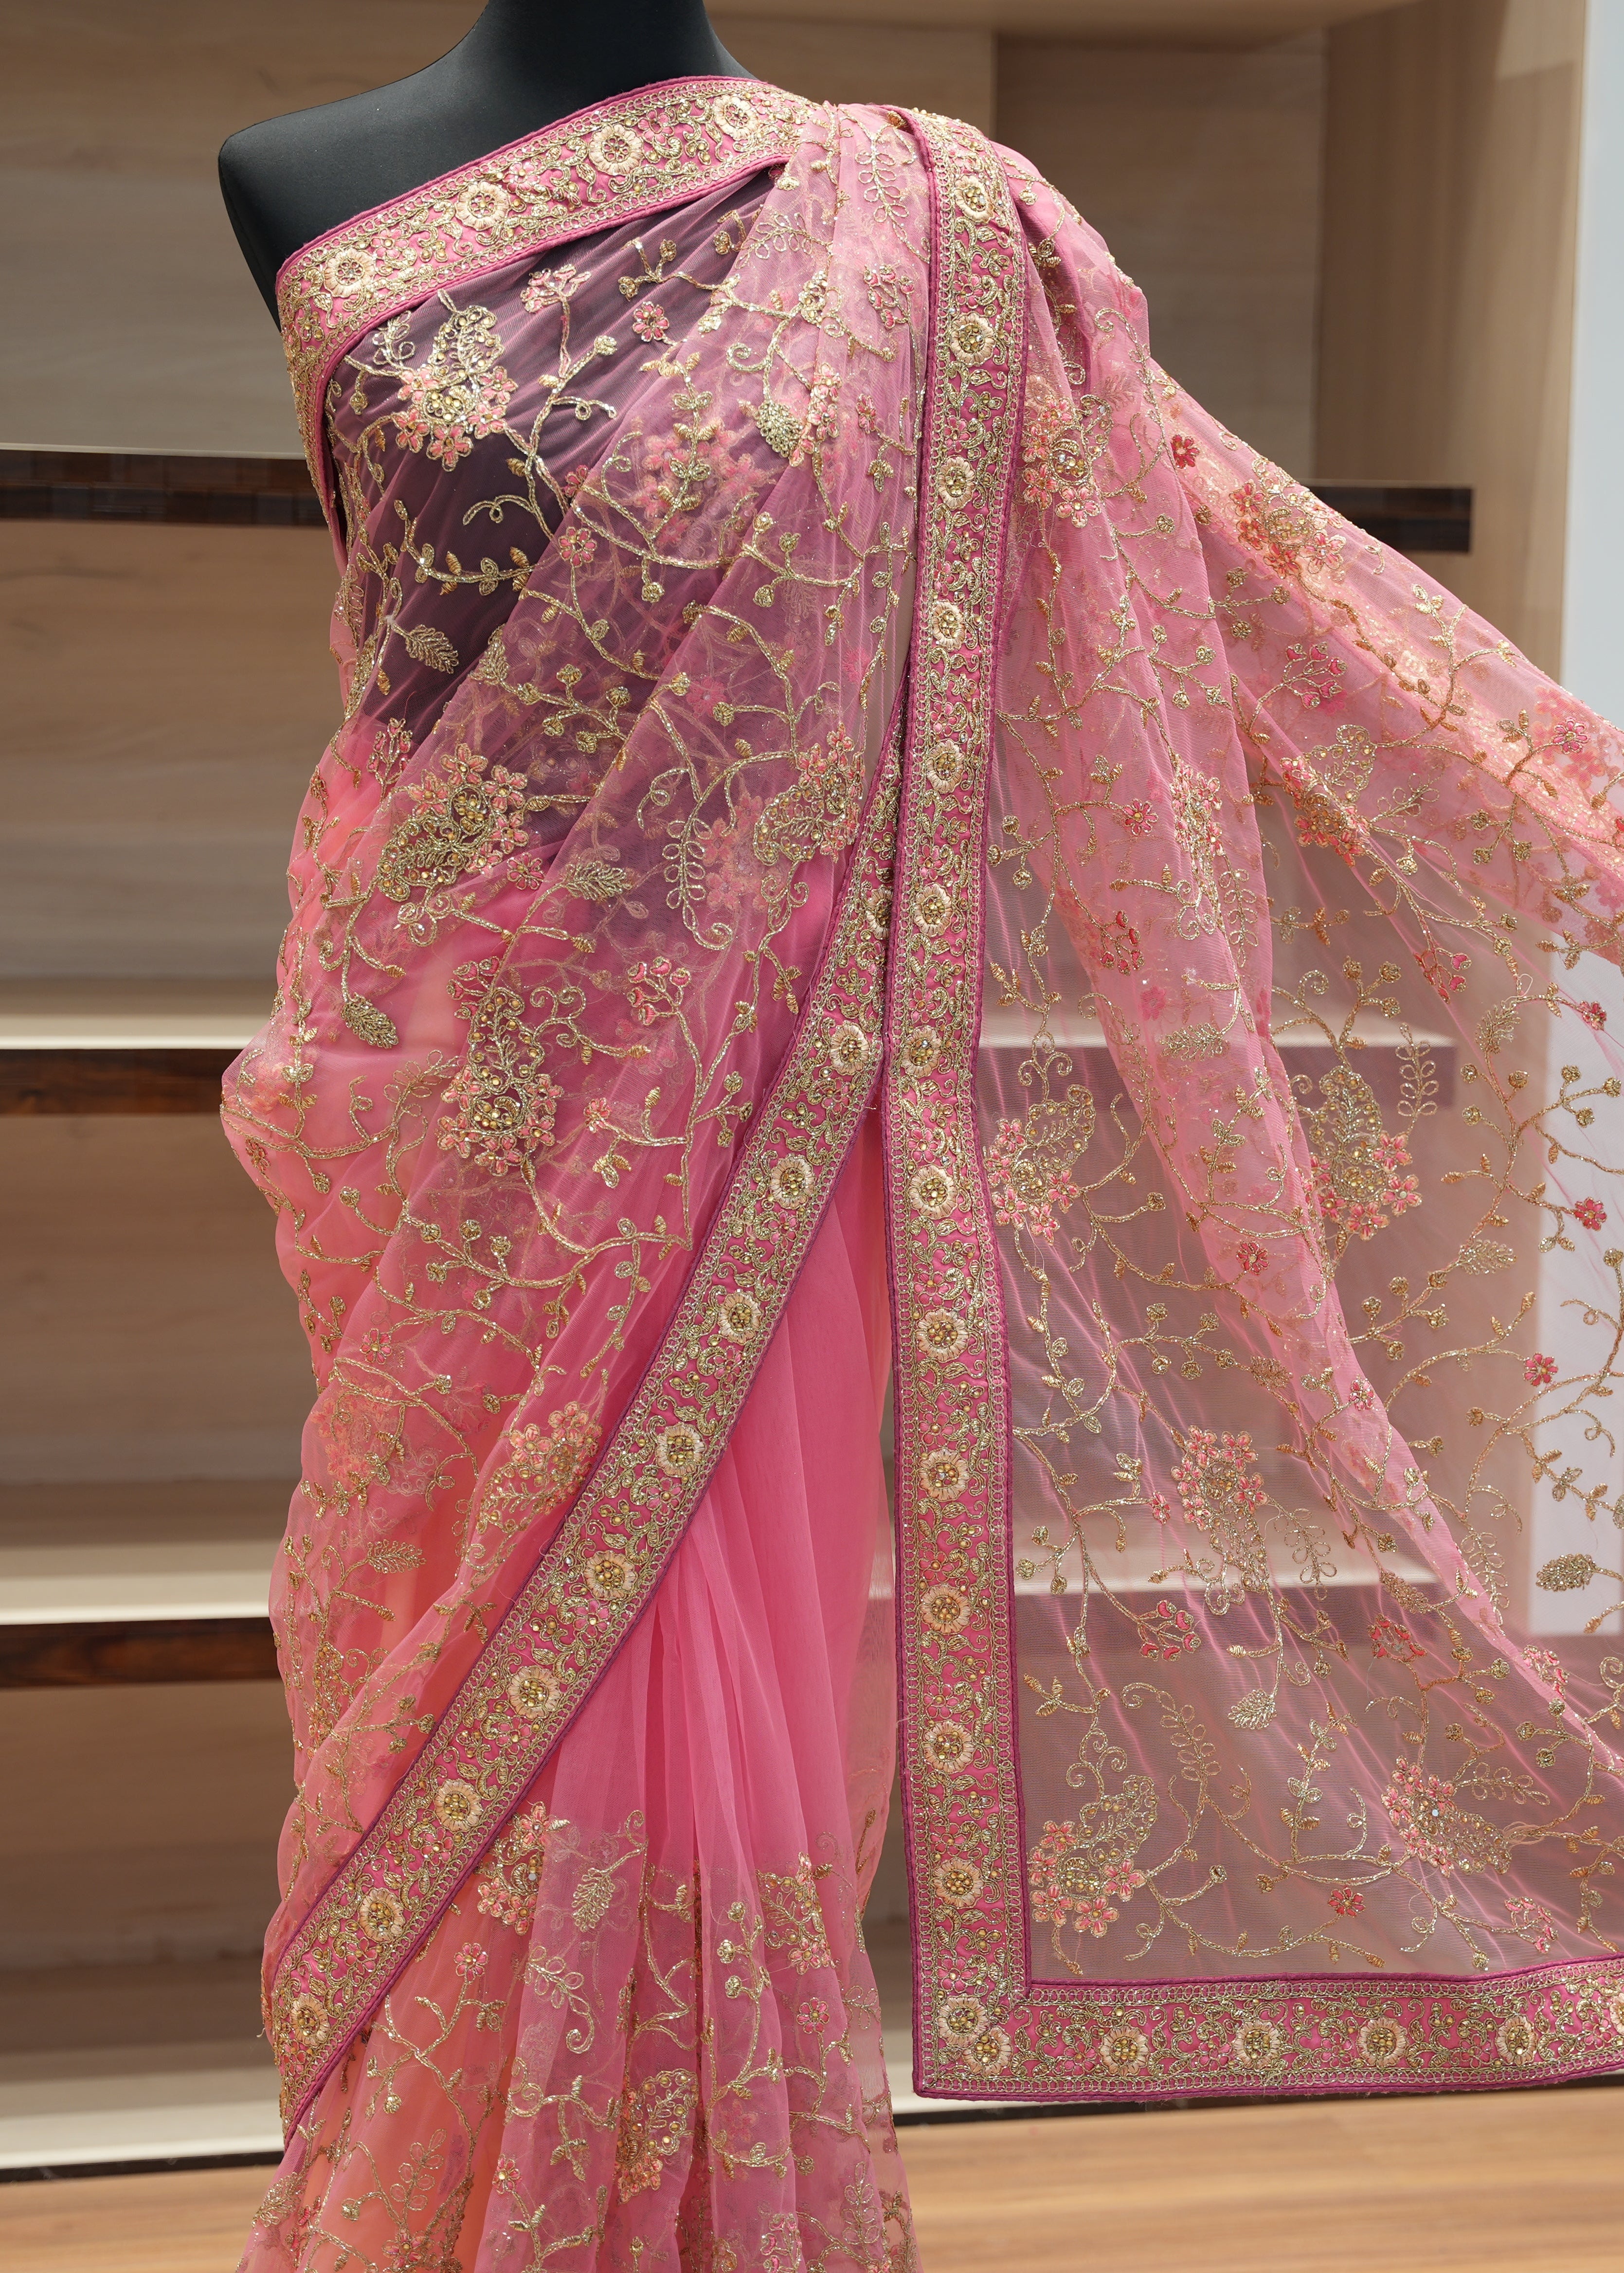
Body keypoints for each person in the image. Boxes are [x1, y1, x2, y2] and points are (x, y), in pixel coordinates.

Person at [220, 13, 1624, 2270]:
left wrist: (1577, 826)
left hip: (741, 1114)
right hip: (436, 1105)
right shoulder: (295, 183)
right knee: (436, 1696)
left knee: (671, 1707)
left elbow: (1265, 580)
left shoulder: (927, 225)